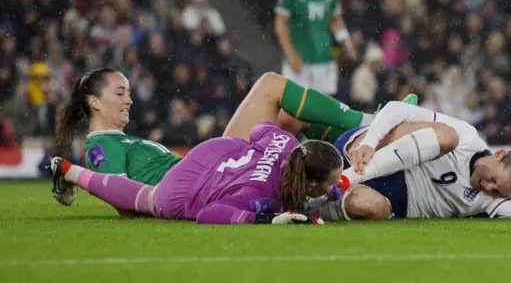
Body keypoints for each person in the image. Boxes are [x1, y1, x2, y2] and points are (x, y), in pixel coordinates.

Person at [51, 68, 408, 205]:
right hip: (205, 180)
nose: (129, 99)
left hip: (212, 171)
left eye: (128, 91)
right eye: (119, 93)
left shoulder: (120, 140)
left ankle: (363, 145)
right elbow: (117, 191)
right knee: (271, 86)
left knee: (290, 119)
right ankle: (373, 122)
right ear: (94, 101)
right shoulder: (101, 146)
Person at [48, 124, 342, 225]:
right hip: (185, 190)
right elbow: (209, 214)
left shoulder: (289, 143)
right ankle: (72, 172)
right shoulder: (262, 197)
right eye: (329, 184)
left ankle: (67, 170)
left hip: (214, 152)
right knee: (150, 200)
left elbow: (258, 130)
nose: (333, 189)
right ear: (312, 182)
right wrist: (261, 219)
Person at [306, 102, 511, 221]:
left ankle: (305, 209)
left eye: (497, 191)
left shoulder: (490, 203)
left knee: (368, 207)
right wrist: (370, 142)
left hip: (386, 199)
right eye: (494, 180)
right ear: (499, 155)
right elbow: (396, 109)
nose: (489, 188)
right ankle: (346, 174)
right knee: (447, 135)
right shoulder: (467, 138)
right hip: (363, 152)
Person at [275, 0, 357, 96]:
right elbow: (280, 24)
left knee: (325, 113)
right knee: (295, 113)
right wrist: (290, 54)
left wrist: (346, 41)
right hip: (300, 59)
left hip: (324, 58)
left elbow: (335, 20)